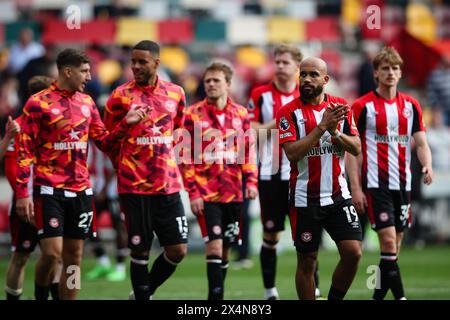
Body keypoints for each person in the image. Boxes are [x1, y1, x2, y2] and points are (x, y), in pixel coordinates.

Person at [15, 49, 146, 300]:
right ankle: (41, 295)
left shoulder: (87, 104)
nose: (89, 77)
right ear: (68, 71)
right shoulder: (38, 103)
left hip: (81, 191)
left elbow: (104, 142)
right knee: (52, 254)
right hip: (48, 189)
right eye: (85, 71)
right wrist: (23, 194)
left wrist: (125, 124)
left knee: (73, 258)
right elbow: (24, 151)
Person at [103, 40, 188, 300]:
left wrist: (162, 156)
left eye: (142, 62)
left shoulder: (176, 93)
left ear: (157, 63)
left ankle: (144, 291)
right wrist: (125, 164)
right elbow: (107, 141)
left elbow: (179, 130)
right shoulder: (119, 97)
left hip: (167, 184)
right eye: (133, 62)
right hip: (133, 186)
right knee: (139, 251)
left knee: (178, 250)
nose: (136, 67)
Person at [346, 47, 433, 300]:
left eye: (395, 68)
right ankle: (401, 298)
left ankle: (377, 298)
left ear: (400, 72)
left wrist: (426, 165)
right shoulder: (362, 106)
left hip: (403, 183)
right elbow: (353, 151)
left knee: (393, 249)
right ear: (376, 73)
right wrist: (356, 187)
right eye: (385, 68)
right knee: (387, 243)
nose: (391, 73)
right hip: (376, 184)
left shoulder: (412, 106)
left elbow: (422, 143)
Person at [277, 57, 363, 300]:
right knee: (307, 261)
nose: (306, 79)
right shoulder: (288, 113)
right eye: (302, 74)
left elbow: (356, 148)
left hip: (338, 195)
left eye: (313, 74)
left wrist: (336, 132)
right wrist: (322, 128)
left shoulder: (340, 107)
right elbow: (292, 152)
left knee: (353, 252)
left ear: (325, 80)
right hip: (306, 199)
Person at [180, 62, 258, 300]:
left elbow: (247, 151)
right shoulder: (191, 115)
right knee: (213, 246)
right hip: (206, 193)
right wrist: (193, 192)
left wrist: (252, 181)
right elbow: (185, 157)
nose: (211, 85)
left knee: (225, 248)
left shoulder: (241, 114)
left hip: (234, 192)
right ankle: (214, 301)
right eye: (207, 81)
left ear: (228, 84)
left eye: (216, 80)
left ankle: (218, 294)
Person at [3, 76, 61, 300]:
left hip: (58, 200)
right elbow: (11, 166)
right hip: (27, 204)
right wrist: (22, 197)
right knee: (21, 257)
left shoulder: (62, 124)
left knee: (63, 256)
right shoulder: (19, 126)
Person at [85, 142, 128, 282]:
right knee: (88, 224)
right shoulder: (88, 137)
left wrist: (104, 189)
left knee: (119, 226)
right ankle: (103, 263)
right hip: (95, 188)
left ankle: (120, 268)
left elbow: (114, 165)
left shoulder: (109, 134)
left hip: (112, 191)